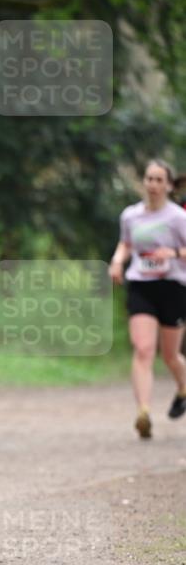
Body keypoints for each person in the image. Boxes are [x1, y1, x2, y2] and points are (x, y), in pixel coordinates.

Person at [108, 158, 186, 438]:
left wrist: (173, 254)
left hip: (173, 286)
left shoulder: (177, 217)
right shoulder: (131, 215)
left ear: (168, 185)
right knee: (143, 349)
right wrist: (117, 261)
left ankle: (183, 387)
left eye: (158, 180)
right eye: (149, 179)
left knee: (170, 356)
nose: (153, 184)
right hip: (141, 284)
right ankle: (143, 412)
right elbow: (126, 242)